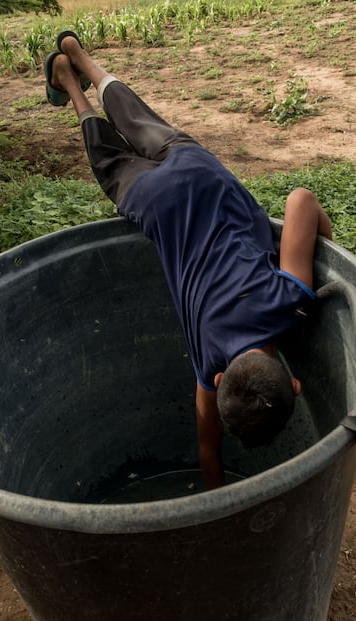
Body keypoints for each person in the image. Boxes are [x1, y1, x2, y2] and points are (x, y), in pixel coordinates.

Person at [44, 31, 333, 489]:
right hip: (154, 203)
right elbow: (206, 447)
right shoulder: (208, 360)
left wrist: (321, 250)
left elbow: (300, 199)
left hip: (198, 172)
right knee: (108, 159)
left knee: (136, 116)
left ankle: (80, 57)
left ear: (293, 385)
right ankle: (71, 84)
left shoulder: (286, 301)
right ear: (219, 379)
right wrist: (217, 497)